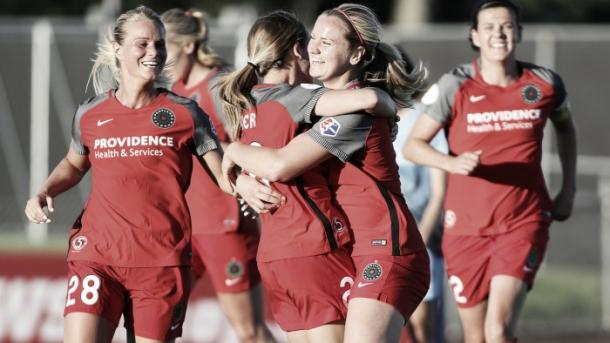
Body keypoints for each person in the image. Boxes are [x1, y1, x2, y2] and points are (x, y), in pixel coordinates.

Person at [221, 4, 431, 343]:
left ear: (356, 53)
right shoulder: (317, 105)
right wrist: (241, 179)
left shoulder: (353, 111)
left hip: (385, 248)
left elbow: (280, 164)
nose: (313, 47)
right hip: (351, 249)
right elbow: (267, 155)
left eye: (327, 42)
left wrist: (231, 151)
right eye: (313, 38)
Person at [24, 6, 229, 343]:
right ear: (118, 49)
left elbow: (223, 175)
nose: (154, 53)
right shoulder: (90, 113)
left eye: (160, 45)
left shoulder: (185, 112)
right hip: (97, 255)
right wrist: (45, 190)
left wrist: (261, 177)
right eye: (143, 44)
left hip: (161, 262)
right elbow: (74, 164)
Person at [404, 1, 577, 342]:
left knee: (497, 330)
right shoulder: (455, 86)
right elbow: (413, 146)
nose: (499, 34)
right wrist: (451, 163)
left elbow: (566, 128)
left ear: (519, 33)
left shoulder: (543, 84)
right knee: (476, 336)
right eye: (489, 27)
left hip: (522, 222)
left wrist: (567, 189)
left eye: (507, 26)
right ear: (475, 36)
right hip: (464, 230)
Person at [161, 8, 276, 343]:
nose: (158, 58)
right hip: (186, 225)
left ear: (186, 46)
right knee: (159, 322)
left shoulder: (219, 85)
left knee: (249, 331)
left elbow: (251, 142)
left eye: (163, 47)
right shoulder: (175, 90)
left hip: (223, 223)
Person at [393, 51, 448, 343]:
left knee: (422, 322)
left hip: (422, 241)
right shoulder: (369, 123)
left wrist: (420, 236)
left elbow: (439, 192)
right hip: (385, 243)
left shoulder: (424, 122)